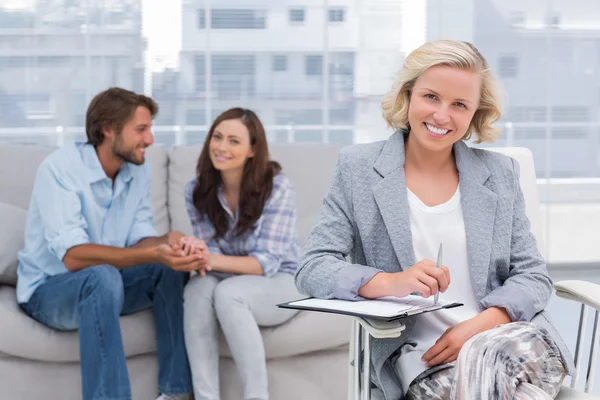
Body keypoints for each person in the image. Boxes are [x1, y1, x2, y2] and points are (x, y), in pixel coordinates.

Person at [295, 40, 575, 400]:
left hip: (513, 342)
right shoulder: (358, 169)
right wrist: (388, 281)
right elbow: (312, 268)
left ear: (475, 113)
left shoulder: (500, 173)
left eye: (459, 104)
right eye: (431, 97)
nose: (442, 115)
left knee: (489, 358)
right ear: (408, 95)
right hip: (427, 359)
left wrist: (479, 328)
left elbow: (533, 275)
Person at [16, 87, 202, 400]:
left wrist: (169, 243)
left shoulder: (136, 170)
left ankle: (175, 393)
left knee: (166, 269)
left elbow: (140, 238)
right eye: (141, 130)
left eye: (150, 129)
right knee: (101, 276)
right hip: (49, 290)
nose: (150, 140)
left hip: (107, 283)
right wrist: (150, 251)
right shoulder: (60, 169)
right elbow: (74, 257)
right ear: (108, 129)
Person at [181, 107, 301, 400]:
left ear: (252, 149)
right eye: (217, 137)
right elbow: (209, 251)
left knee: (229, 293)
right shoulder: (197, 190)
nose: (221, 147)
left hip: (283, 279)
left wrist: (208, 258)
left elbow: (266, 262)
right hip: (228, 276)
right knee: (196, 290)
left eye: (234, 140)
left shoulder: (277, 187)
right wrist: (194, 252)